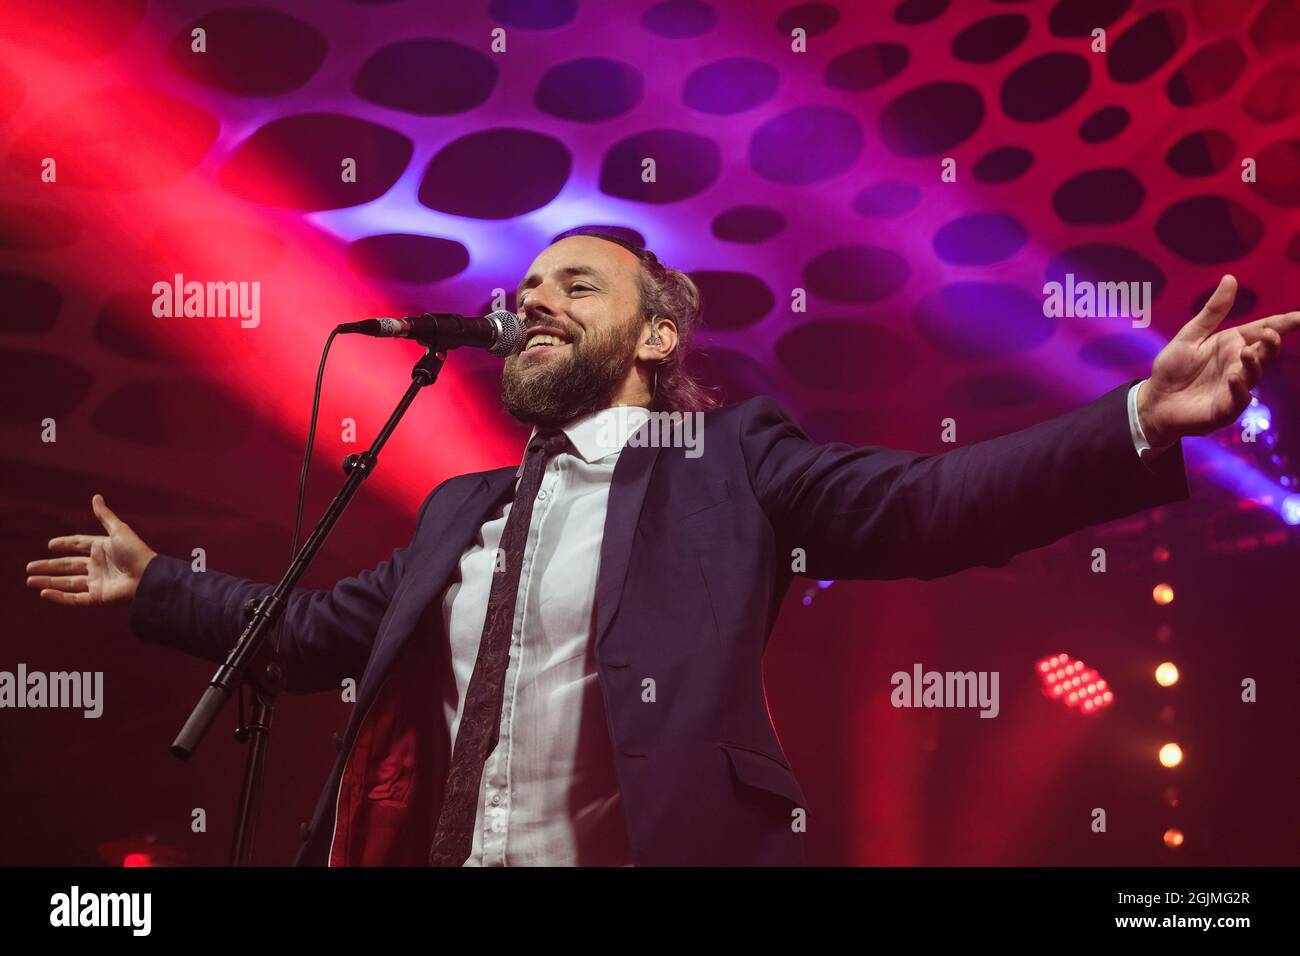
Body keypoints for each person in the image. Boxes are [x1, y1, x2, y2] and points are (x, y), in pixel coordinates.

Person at [26, 231, 1298, 866]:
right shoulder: (460, 505)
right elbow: (308, 635)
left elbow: (926, 503)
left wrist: (1134, 415)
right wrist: (161, 584)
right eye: (528, 289)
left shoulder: (728, 459)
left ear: (650, 341)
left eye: (578, 286)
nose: (535, 299)